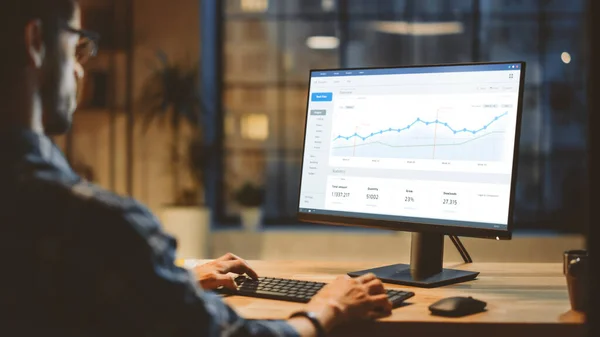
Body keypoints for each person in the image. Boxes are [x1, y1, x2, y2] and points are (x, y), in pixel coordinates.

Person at [0, 1, 392, 336]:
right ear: (35, 42)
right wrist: (328, 309)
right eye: (75, 46)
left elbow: (69, 298)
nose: (80, 70)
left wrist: (169, 284)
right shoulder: (96, 224)